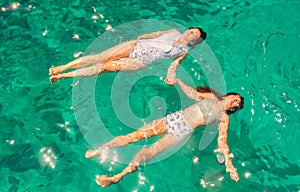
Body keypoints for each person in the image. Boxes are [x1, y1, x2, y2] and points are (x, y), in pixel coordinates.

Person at [85, 62, 244, 187]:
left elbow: (222, 142)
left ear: (233, 109)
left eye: (237, 103)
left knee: (145, 154)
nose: (235, 101)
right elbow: (193, 94)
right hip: (173, 119)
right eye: (235, 97)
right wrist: (178, 80)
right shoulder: (210, 97)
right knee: (133, 136)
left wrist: (228, 163)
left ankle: (116, 177)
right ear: (227, 96)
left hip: (181, 131)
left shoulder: (224, 118)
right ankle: (101, 149)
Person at [49, 27, 206, 83]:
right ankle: (63, 67)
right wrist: (143, 36)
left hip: (139, 62)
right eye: (191, 30)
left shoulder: (183, 51)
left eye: (195, 35)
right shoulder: (173, 32)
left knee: (102, 67)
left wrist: (171, 77)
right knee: (100, 57)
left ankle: (63, 76)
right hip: (134, 46)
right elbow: (156, 34)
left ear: (195, 41)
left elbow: (174, 65)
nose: (191, 33)